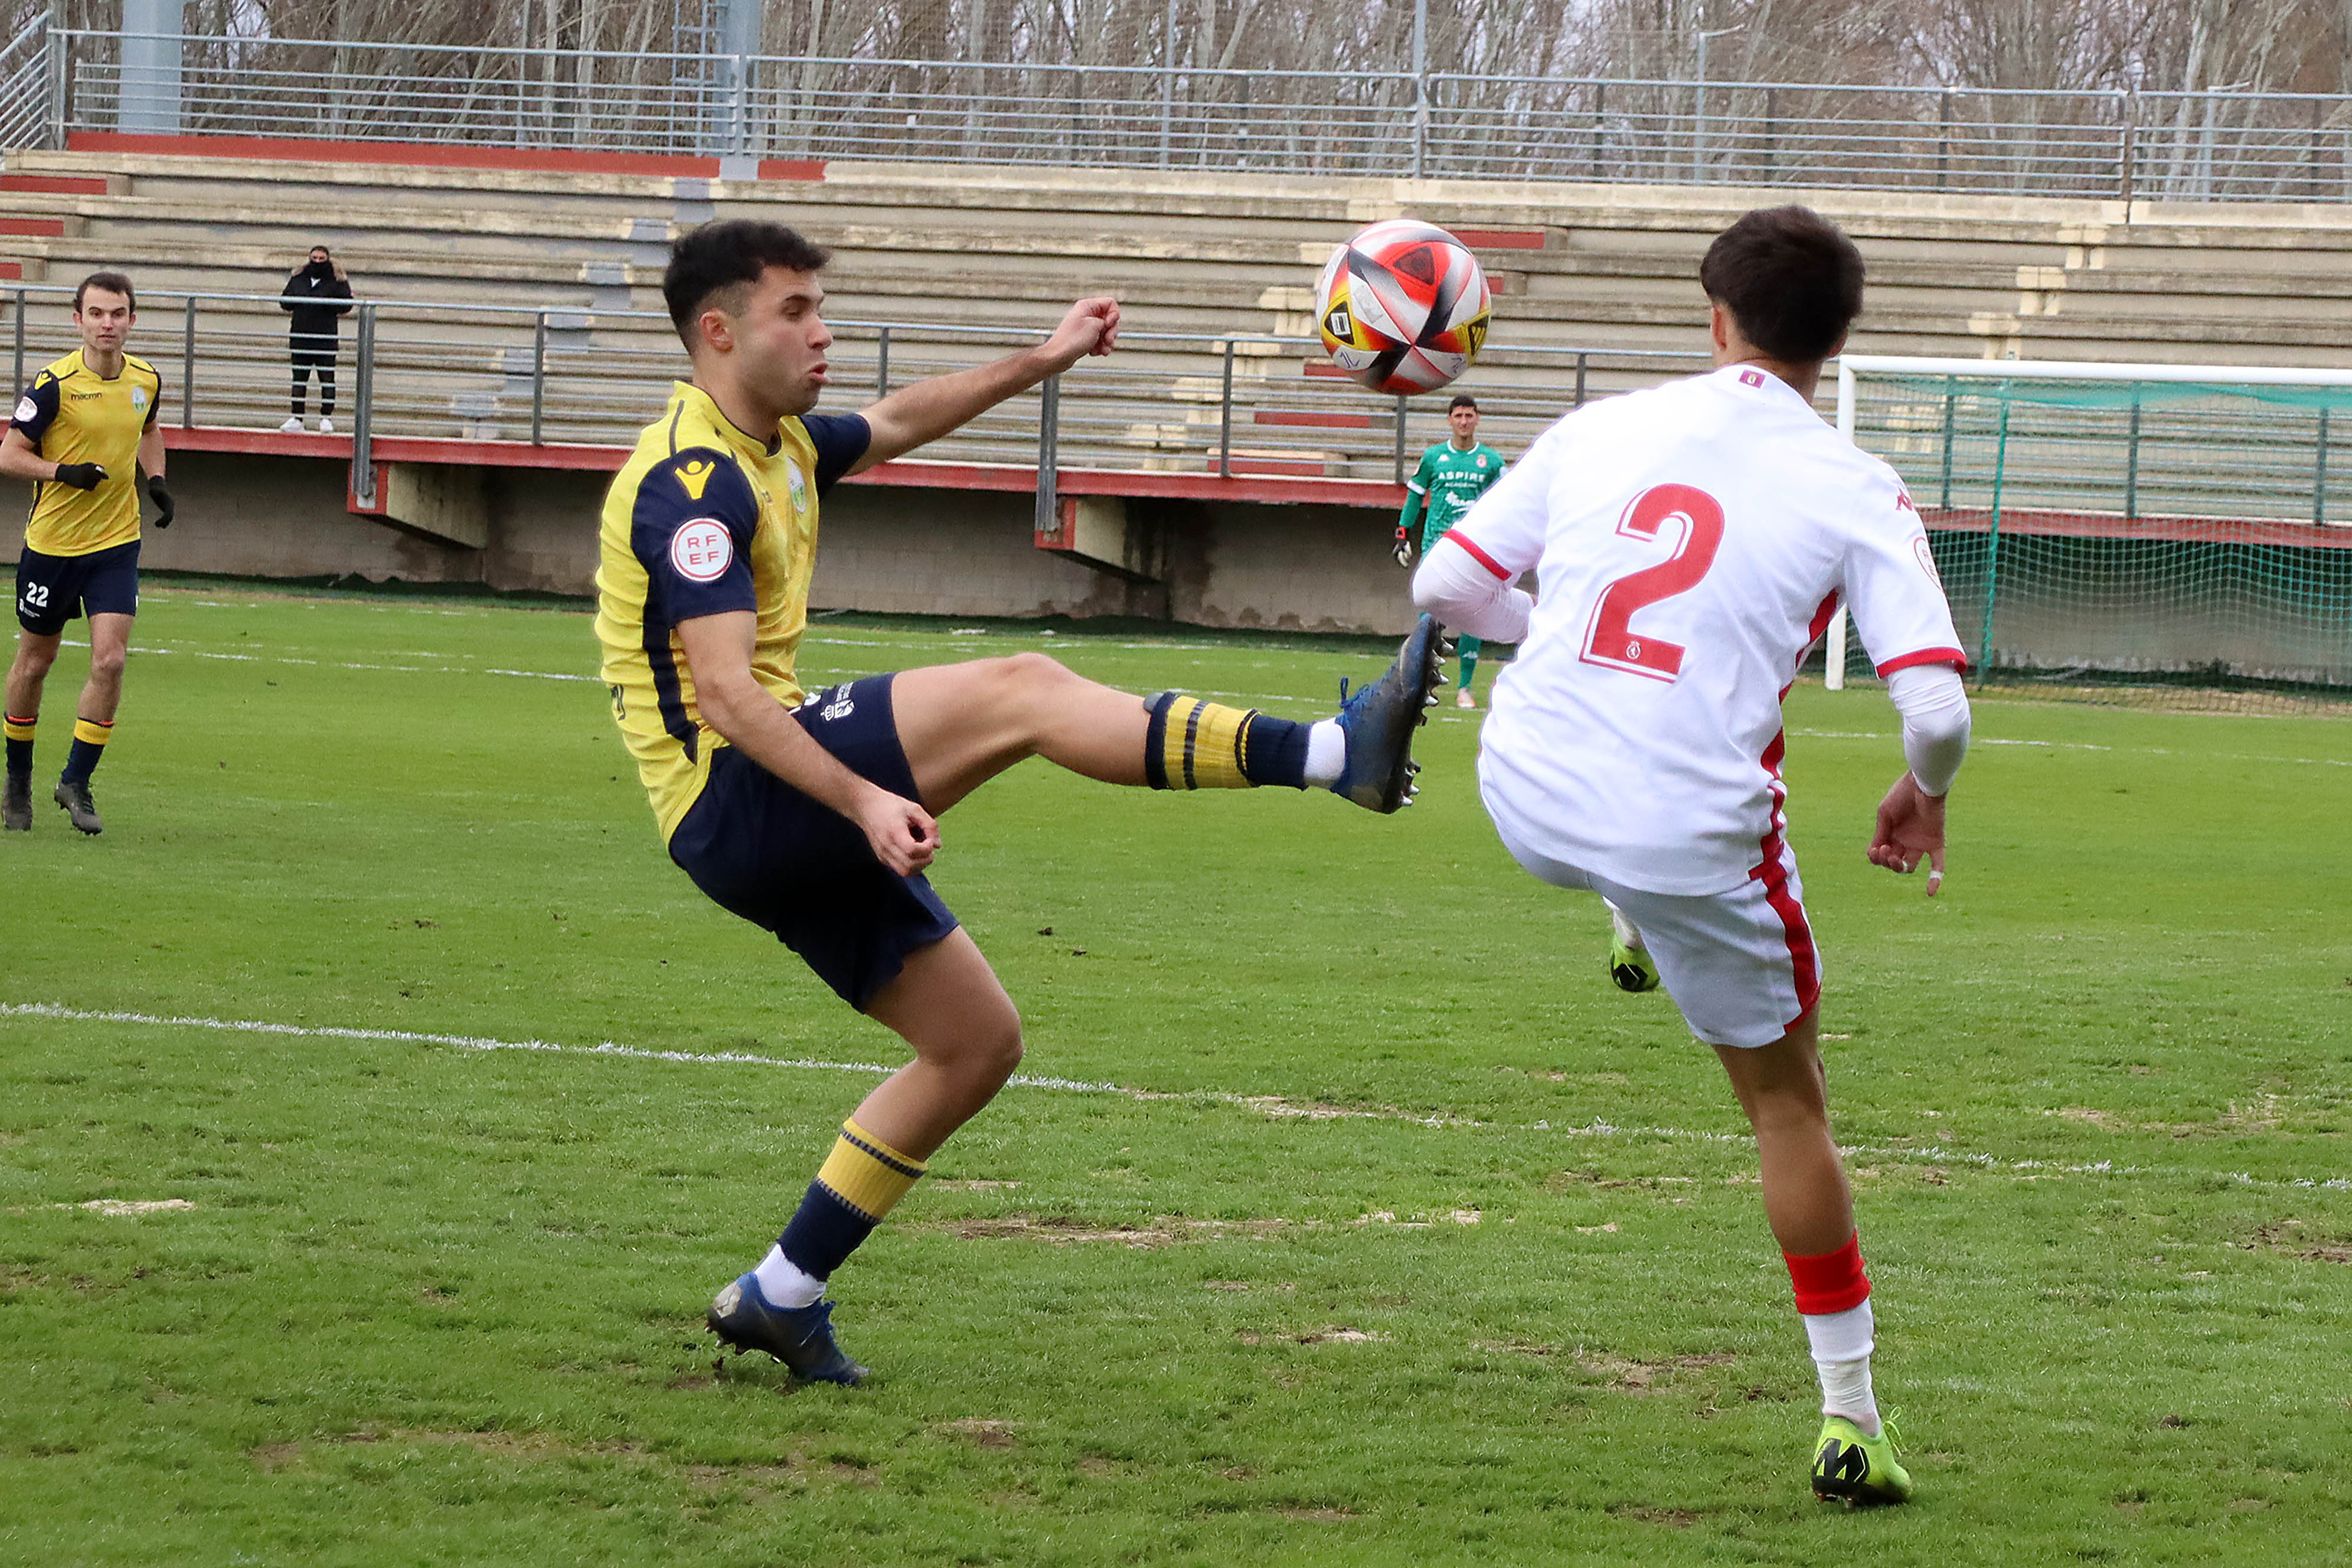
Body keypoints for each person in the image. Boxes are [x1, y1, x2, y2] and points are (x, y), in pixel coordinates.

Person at [596, 220, 1442, 1386]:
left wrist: (1042, 361)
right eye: (796, 310)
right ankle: (1333, 753)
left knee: (975, 1043)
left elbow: (898, 420)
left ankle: (780, 1293)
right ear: (719, 330)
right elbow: (732, 698)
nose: (822, 328)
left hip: (773, 807)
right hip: (738, 793)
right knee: (1024, 690)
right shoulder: (690, 483)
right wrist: (861, 799)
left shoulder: (779, 441)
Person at [1412, 204, 1972, 1508]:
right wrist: (1922, 793)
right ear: (1838, 341)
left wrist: (1553, 622)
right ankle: (1851, 1419)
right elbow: (1937, 711)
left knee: (1620, 793)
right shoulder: (1854, 483)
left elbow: (1445, 585)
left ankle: (1619, 896)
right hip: (1680, 824)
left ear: (1712, 313)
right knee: (1788, 1097)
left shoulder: (1601, 425)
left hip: (1523, 787)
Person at [0, 270, 174, 836]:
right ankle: (17, 781)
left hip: (116, 544)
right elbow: (9, 455)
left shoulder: (146, 378)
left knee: (111, 660)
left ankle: (75, 780)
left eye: (117, 314)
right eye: (96, 314)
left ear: (132, 319)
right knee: (36, 662)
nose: (108, 324)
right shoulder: (53, 385)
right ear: (78, 320)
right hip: (51, 548)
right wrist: (62, 473)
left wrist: (157, 480)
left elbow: (149, 430)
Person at [1395, 394, 1505, 708]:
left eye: (1469, 415)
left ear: (1477, 418)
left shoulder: (1491, 461)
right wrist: (1403, 532)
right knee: (1430, 615)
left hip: (1474, 546)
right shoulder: (1433, 457)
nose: (1464, 421)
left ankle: (1465, 687)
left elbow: (1506, 501)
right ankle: (1420, 684)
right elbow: (1415, 496)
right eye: (1458, 415)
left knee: (1474, 612)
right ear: (1450, 420)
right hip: (1438, 546)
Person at [279, 246, 353, 434]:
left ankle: (326, 418)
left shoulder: (337, 280)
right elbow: (285, 301)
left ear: (328, 259)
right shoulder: (299, 278)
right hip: (301, 337)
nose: (318, 261)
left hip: (325, 339)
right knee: (299, 380)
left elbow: (347, 305)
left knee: (327, 379)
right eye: (314, 258)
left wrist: (323, 303)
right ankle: (297, 418)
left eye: (321, 258)